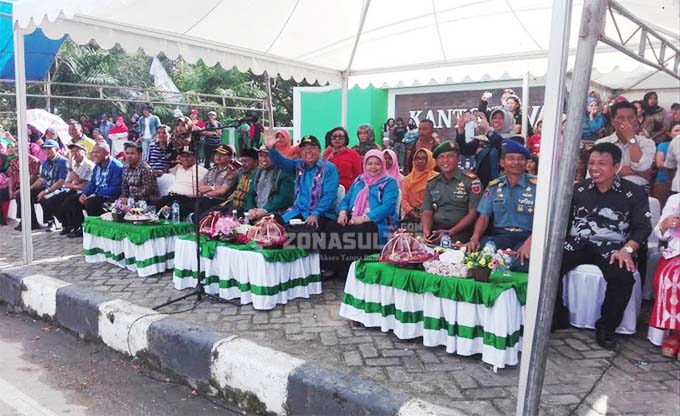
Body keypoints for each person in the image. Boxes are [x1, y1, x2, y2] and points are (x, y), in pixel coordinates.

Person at [554, 143, 651, 349]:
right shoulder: (578, 189)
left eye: (601, 163)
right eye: (591, 163)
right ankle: (556, 316)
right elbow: (562, 220)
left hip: (615, 248)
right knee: (549, 266)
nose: (594, 168)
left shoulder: (634, 193)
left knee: (622, 277)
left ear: (616, 166)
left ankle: (607, 327)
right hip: (578, 244)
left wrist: (629, 249)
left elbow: (643, 227)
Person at [325, 149, 399, 276]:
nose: (373, 167)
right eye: (370, 163)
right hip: (353, 216)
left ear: (382, 165)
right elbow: (347, 199)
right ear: (364, 164)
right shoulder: (359, 180)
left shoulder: (389, 182)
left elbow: (388, 207)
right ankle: (334, 267)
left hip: (377, 220)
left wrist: (365, 218)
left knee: (360, 230)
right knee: (331, 227)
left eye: (377, 163)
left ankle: (354, 269)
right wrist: (342, 212)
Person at [466, 141, 536, 272]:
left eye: (521, 159)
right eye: (511, 159)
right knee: (477, 257)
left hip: (527, 237)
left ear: (526, 163)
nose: (516, 162)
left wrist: (531, 242)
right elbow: (484, 217)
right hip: (501, 236)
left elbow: (544, 221)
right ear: (502, 163)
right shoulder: (494, 186)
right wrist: (474, 238)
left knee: (521, 264)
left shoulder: (537, 187)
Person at [264, 132, 339, 231]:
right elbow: (281, 162)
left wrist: (316, 214)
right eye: (304, 148)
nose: (307, 151)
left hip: (321, 215)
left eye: (312, 148)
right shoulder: (299, 165)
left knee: (300, 235)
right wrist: (271, 149)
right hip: (298, 211)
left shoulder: (329, 168)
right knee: (271, 227)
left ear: (319, 150)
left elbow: (329, 195)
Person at [421, 142, 482, 245]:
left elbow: (473, 213)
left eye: (450, 156)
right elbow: (427, 211)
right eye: (441, 157)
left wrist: (449, 233)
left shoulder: (471, 181)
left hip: (462, 235)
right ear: (436, 161)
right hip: (436, 232)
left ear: (458, 159)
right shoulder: (432, 183)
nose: (445, 160)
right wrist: (426, 232)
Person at [64, 142, 124, 238]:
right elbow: (92, 183)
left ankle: (98, 229)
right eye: (93, 152)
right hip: (97, 194)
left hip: (110, 197)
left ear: (107, 153)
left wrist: (96, 194)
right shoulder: (97, 166)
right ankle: (80, 227)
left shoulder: (116, 167)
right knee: (71, 200)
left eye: (97, 152)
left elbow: (115, 189)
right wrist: (84, 194)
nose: (94, 155)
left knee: (91, 202)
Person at [595, 101, 656, 190]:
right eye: (620, 118)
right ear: (613, 122)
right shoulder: (601, 144)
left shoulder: (647, 143)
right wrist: (637, 173)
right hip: (608, 190)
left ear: (636, 121)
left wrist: (631, 139)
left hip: (638, 190)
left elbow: (641, 167)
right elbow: (598, 171)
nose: (626, 121)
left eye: (631, 118)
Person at [649, 193, 680, 358]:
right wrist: (666, 224)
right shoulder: (675, 200)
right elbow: (661, 235)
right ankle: (675, 333)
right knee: (671, 277)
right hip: (677, 254)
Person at [15, 140, 68, 231]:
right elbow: (41, 179)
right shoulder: (45, 162)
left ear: (57, 149)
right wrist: (28, 189)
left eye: (49, 148)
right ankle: (29, 221)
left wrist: (46, 191)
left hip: (59, 189)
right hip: (47, 187)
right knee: (23, 195)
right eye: (45, 149)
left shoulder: (63, 162)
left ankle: (50, 222)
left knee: (44, 197)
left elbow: (61, 181)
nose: (46, 151)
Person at [45, 143, 94, 236]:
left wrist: (74, 179)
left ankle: (78, 227)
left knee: (69, 202)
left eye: (77, 151)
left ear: (84, 152)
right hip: (74, 190)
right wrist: (75, 185)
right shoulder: (74, 166)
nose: (74, 153)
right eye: (72, 151)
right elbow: (66, 183)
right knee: (51, 201)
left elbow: (82, 184)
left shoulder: (89, 165)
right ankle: (66, 224)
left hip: (84, 192)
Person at [244, 146, 295, 222]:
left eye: (267, 156)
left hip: (277, 215)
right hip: (256, 214)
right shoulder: (257, 172)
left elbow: (285, 198)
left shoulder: (284, 172)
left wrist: (265, 210)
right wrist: (250, 209)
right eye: (261, 156)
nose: (264, 159)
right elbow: (251, 193)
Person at [156, 147, 207, 220]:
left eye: (188, 156)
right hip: (171, 197)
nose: (185, 159)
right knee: (151, 207)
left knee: (167, 213)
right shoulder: (179, 168)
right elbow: (167, 170)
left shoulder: (202, 171)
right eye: (183, 156)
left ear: (195, 157)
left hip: (187, 200)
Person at [401, 149, 438, 226]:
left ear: (430, 160)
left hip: (434, 216)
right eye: (417, 158)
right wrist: (412, 212)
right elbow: (404, 200)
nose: (419, 161)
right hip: (412, 216)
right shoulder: (407, 179)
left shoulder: (437, 178)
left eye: (423, 158)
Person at [217, 148, 258, 214]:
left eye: (246, 161)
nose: (243, 164)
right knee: (207, 214)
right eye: (242, 161)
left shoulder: (258, 175)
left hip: (241, 206)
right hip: (229, 202)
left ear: (256, 162)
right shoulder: (241, 172)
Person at [323, 127, 362, 192]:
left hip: (347, 192)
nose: (337, 139)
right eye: (334, 137)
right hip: (329, 191)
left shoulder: (353, 154)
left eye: (340, 137)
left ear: (345, 139)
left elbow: (358, 175)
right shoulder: (327, 154)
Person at [654, 121, 680, 207]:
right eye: (677, 130)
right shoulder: (667, 144)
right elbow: (661, 164)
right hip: (666, 182)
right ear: (669, 133)